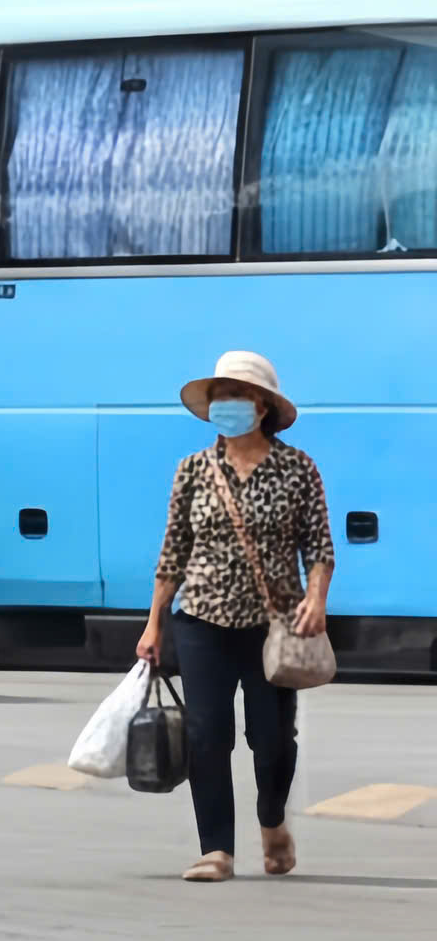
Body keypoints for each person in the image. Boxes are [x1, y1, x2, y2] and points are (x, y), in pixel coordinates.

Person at [136, 351, 334, 884]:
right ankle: (216, 850)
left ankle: (272, 821)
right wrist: (154, 622)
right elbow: (173, 552)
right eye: (220, 397)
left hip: (274, 627)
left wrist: (316, 598)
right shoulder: (193, 470)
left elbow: (319, 546)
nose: (226, 406)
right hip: (201, 620)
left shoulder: (297, 469)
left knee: (272, 741)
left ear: (262, 406)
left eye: (237, 396)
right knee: (206, 734)